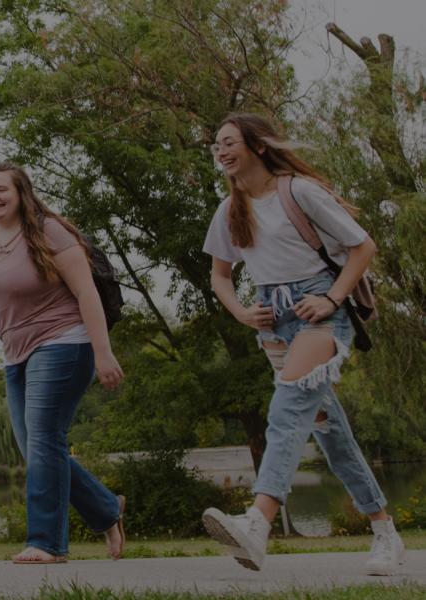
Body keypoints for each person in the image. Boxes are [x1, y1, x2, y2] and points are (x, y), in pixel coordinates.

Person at [200, 113, 404, 575]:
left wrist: (332, 297)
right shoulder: (228, 209)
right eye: (216, 144)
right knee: (333, 437)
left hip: (319, 314)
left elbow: (363, 246)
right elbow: (220, 276)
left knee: (286, 412)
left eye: (229, 142)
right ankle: (385, 533)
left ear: (258, 146)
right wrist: (241, 312)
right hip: (272, 321)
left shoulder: (299, 192)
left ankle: (257, 524)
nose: (221, 150)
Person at [0, 161, 127, 565]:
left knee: (42, 442)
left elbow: (86, 292)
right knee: (37, 448)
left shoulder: (51, 231)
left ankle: (46, 543)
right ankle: (108, 509)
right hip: (17, 355)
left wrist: (103, 350)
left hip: (65, 343)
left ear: (22, 192)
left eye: (1, 189)